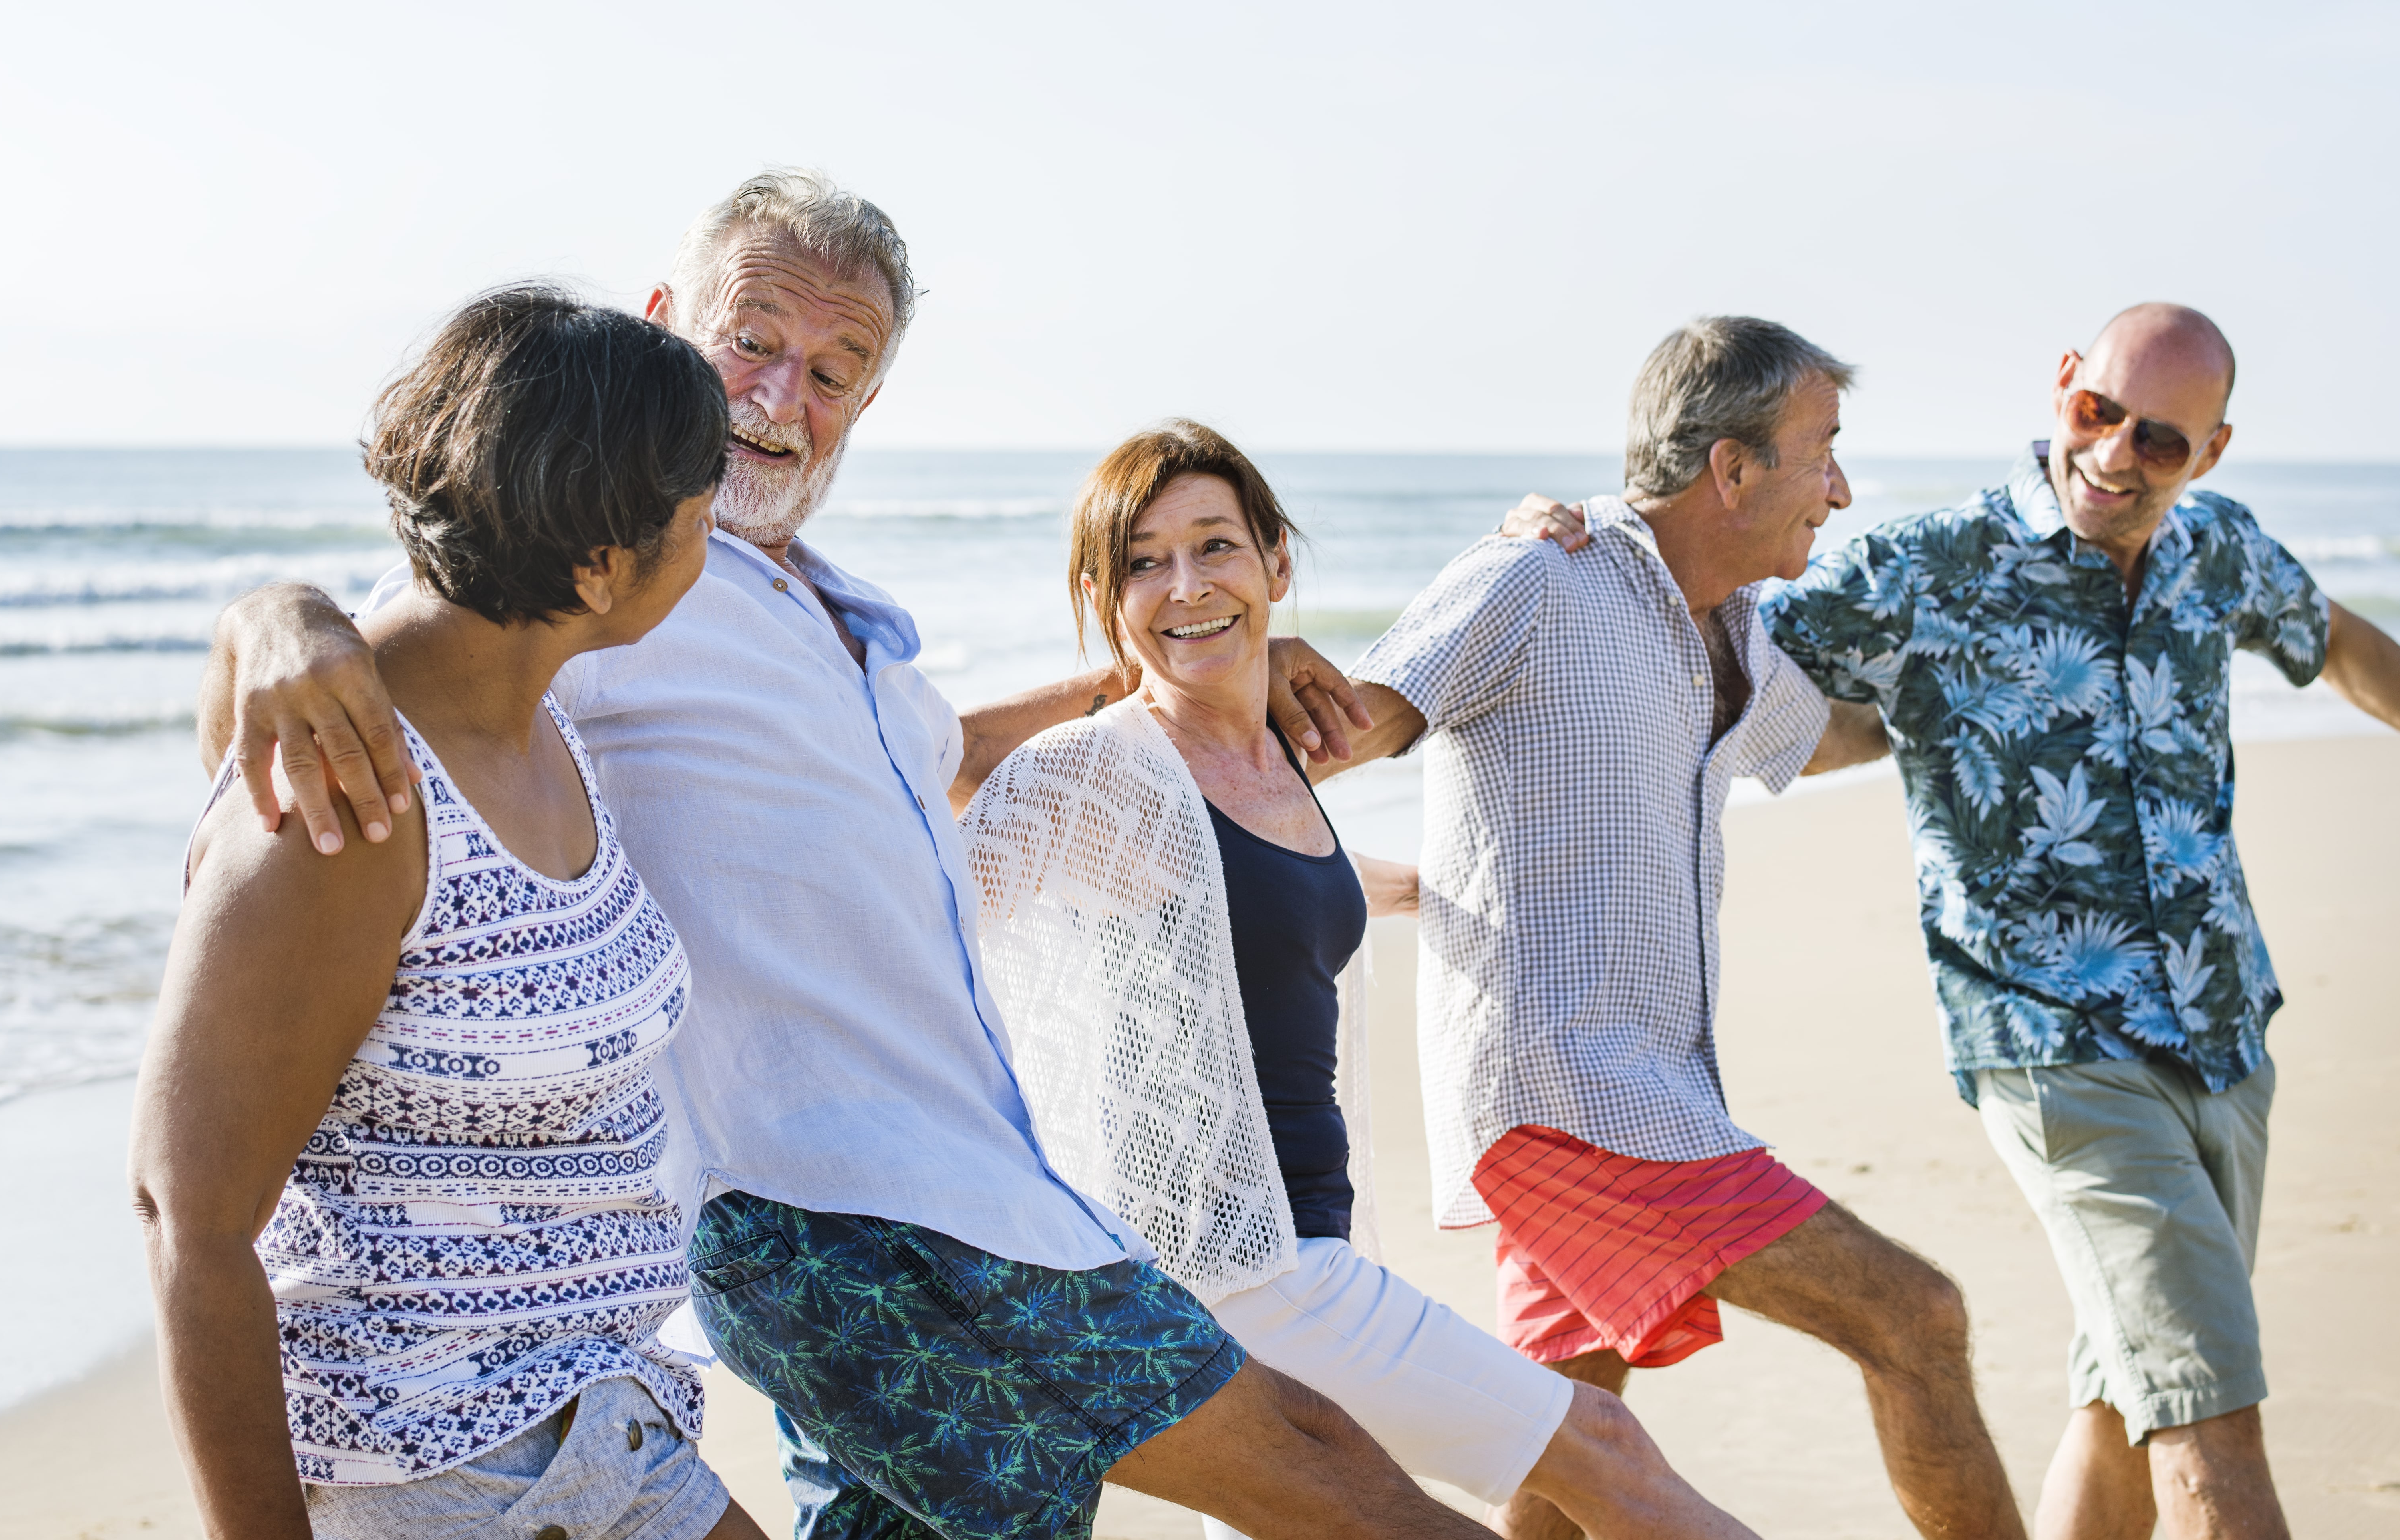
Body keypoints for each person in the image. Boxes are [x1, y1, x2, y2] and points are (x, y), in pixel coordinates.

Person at [197, 169, 1491, 1540]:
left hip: (972, 1183)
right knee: (1318, 1467)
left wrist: (1186, 666)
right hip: (836, 1217)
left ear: (867, 404)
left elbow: (932, 770)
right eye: (749, 342)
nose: (776, 399)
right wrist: (275, 619)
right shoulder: (616, 579)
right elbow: (411, 645)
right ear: (659, 325)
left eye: (832, 371)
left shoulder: (812, 609)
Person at [1504, 303, 2400, 1540]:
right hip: (2053, 1044)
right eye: (2098, 413)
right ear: (2065, 384)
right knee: (2207, 1417)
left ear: (2213, 456)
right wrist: (1572, 539)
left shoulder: (2220, 551)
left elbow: (2332, 636)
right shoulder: (1931, 564)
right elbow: (1698, 620)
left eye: (2162, 442)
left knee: (2131, 1398)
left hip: (2227, 1026)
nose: (2118, 453)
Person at [961, 420, 1761, 1540]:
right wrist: (1122, 672)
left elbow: (1281, 898)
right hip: (1240, 1262)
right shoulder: (1104, 774)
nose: (1186, 583)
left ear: (1277, 563)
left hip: (1295, 1247)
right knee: (1605, 1449)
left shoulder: (1276, 761)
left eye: (1215, 548)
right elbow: (920, 802)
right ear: (1105, 594)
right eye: (1143, 563)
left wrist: (1504, 553)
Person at [1320, 318, 2028, 1540]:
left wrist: (1965, 696)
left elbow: (1828, 741)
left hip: (1643, 1087)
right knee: (1916, 1319)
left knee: (1571, 1441)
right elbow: (1350, 728)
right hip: (1571, 1098)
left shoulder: (1736, 632)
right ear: (1733, 470)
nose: (1843, 491)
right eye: (1825, 454)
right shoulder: (1537, 577)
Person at [130, 286, 766, 1539]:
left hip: (600, 1424)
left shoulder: (540, 726)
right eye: (701, 512)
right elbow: (186, 1218)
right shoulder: (360, 809)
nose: (716, 533)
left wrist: (269, 613)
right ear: (598, 566)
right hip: (431, 1471)